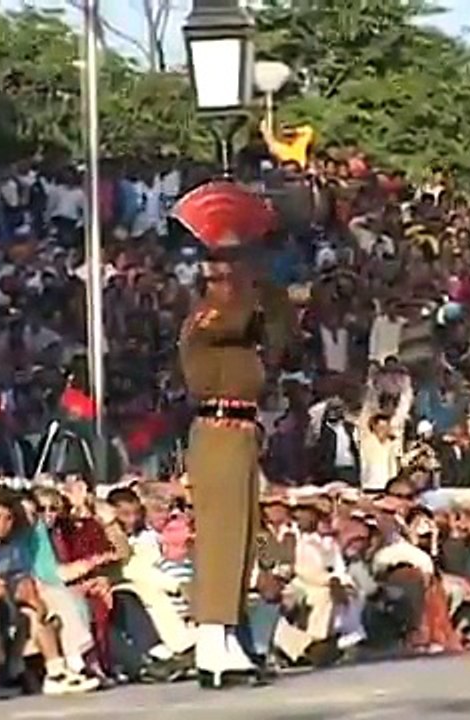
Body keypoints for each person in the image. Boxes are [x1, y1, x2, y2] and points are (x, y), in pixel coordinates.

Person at [174, 181, 292, 689]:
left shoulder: (243, 323)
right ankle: (210, 645)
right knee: (220, 537)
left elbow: (282, 340)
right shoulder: (205, 320)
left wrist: (274, 291)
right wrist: (253, 278)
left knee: (240, 537)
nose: (230, 283)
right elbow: (238, 317)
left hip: (241, 430)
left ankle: (226, 641)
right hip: (217, 428)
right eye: (221, 275)